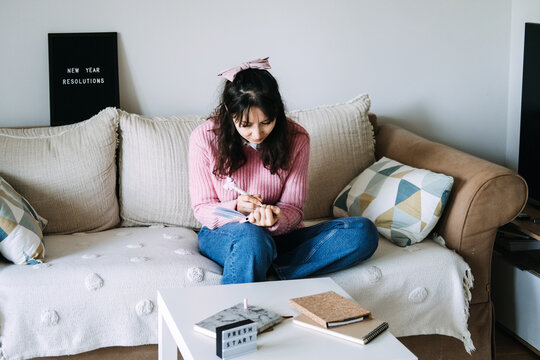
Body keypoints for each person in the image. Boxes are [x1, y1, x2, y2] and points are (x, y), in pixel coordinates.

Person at [188, 57, 378, 284]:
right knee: (252, 239)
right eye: (246, 125)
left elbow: (294, 209)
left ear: (277, 111)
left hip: (281, 237)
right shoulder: (205, 137)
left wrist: (275, 219)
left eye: (266, 122)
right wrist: (237, 207)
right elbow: (202, 208)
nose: (257, 134)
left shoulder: (296, 139)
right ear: (229, 111)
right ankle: (239, 306)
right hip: (226, 234)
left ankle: (260, 262)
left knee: (363, 232)